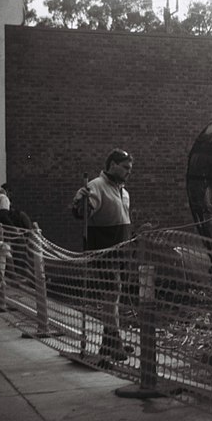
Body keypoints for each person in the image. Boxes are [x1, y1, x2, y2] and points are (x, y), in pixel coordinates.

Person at [71, 148, 134, 362]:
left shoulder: (123, 191)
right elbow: (82, 213)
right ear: (112, 164)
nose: (128, 172)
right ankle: (113, 342)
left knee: (113, 295)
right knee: (111, 293)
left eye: (130, 168)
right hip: (105, 249)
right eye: (125, 167)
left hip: (121, 250)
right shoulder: (96, 186)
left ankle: (108, 343)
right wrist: (82, 202)